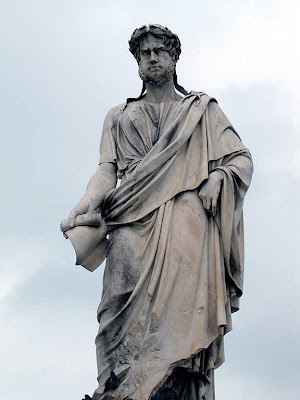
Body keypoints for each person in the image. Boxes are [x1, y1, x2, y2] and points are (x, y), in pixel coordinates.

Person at [64, 24, 253, 400]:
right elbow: (107, 169)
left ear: (174, 58)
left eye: (159, 51)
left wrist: (219, 175)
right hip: (131, 222)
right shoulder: (118, 115)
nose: (151, 58)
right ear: (137, 64)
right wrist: (89, 199)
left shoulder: (200, 111)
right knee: (115, 305)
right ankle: (119, 388)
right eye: (144, 53)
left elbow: (240, 159)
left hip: (186, 224)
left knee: (182, 316)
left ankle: (175, 383)